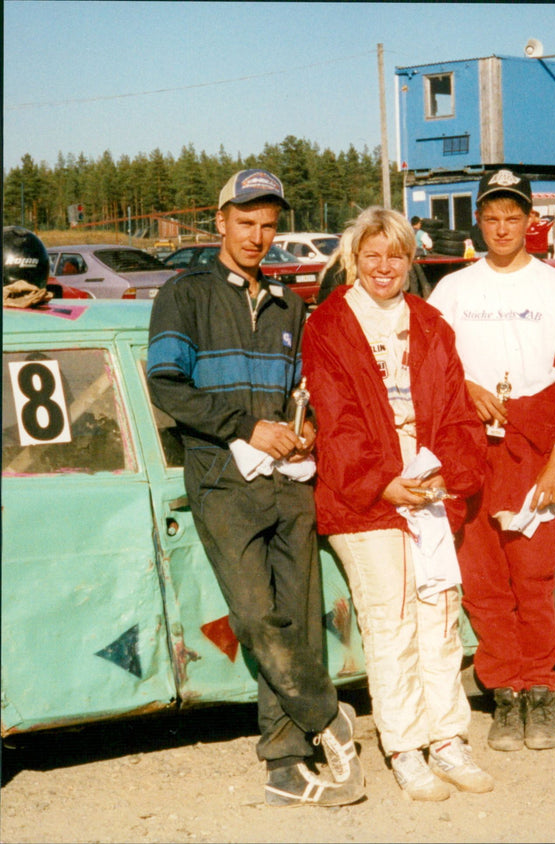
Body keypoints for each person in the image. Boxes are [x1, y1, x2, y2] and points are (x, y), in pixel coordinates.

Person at [146, 169, 365, 808]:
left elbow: (301, 397)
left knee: (296, 621)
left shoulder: (290, 304)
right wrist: (248, 427)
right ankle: (327, 713)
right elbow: (167, 385)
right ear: (221, 222)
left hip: (288, 486)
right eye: (246, 223)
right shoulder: (183, 295)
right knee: (254, 616)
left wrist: (304, 433)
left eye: (268, 226)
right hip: (221, 481)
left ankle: (285, 763)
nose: (258, 236)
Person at [302, 207, 493, 802]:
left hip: (427, 490)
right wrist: (383, 481)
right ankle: (406, 747)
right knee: (392, 621)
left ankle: (448, 738)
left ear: (412, 261)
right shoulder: (329, 325)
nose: (384, 267)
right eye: (372, 255)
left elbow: (459, 413)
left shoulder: (431, 324)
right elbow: (336, 421)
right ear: (353, 260)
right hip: (366, 498)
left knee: (439, 616)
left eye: (396, 256)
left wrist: (446, 475)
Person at [427, 169, 555, 756]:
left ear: (532, 222)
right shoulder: (452, 290)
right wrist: (468, 384)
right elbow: (431, 365)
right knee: (483, 576)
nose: (502, 228)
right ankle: (504, 693)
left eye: (513, 216)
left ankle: (541, 693)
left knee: (532, 573)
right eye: (491, 216)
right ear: (480, 220)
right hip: (473, 446)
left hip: (534, 445)